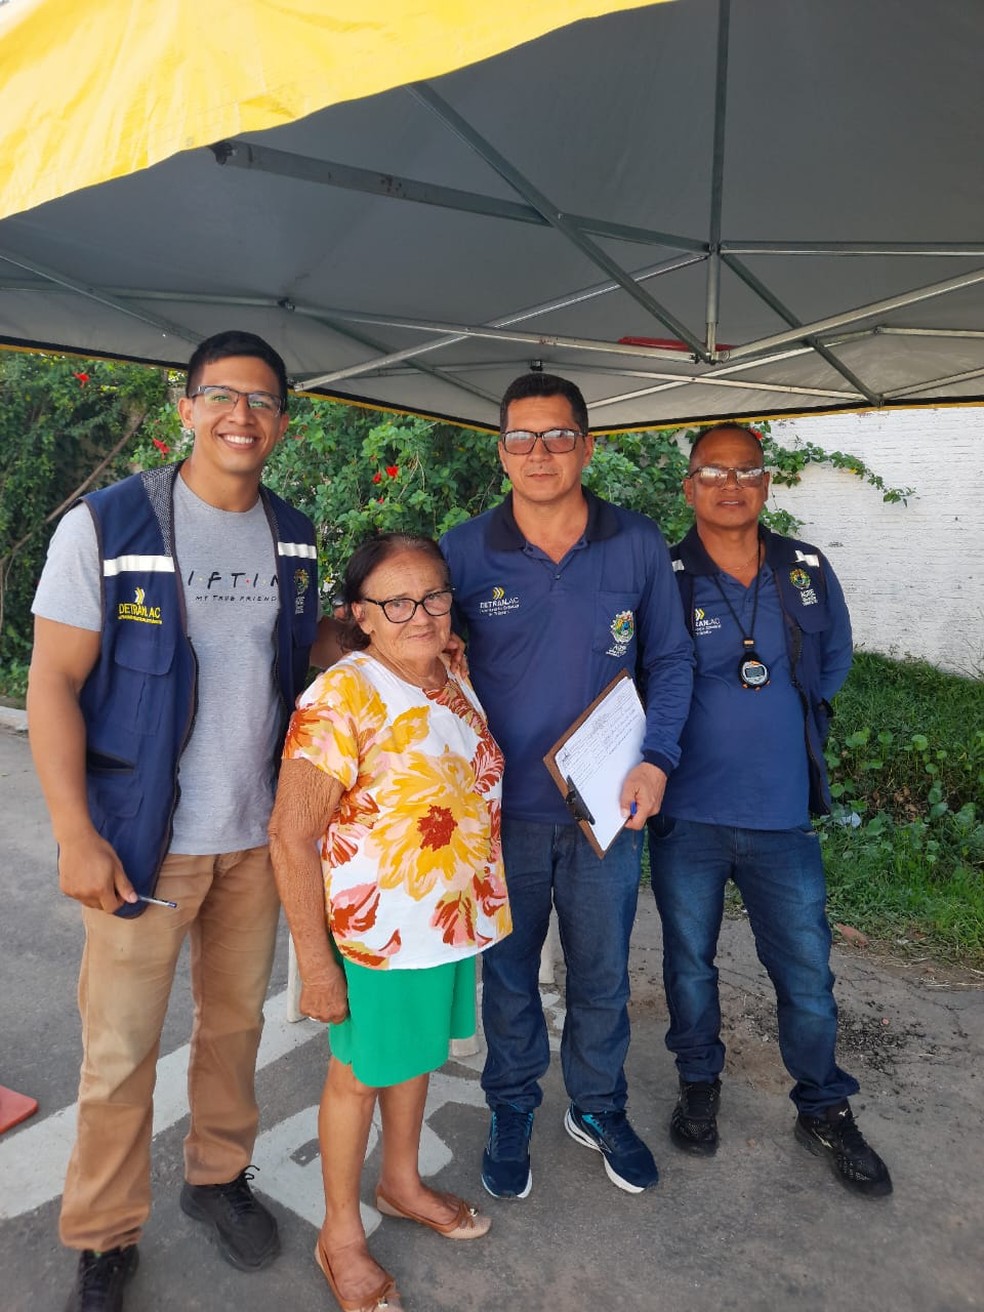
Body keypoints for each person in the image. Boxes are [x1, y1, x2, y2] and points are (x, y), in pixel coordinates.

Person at [27, 330, 321, 1311]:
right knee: (118, 1056)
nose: (244, 416)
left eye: (264, 401)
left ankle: (216, 1176)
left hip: (252, 839)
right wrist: (75, 829)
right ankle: (105, 1236)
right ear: (185, 405)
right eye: (223, 396)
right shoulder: (105, 528)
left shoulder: (294, 533)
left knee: (234, 1026)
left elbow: (294, 663)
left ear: (282, 420)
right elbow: (55, 685)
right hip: (140, 846)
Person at [439, 372, 694, 1199]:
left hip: (606, 813)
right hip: (501, 814)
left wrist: (656, 759)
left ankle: (596, 1105)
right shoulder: (464, 549)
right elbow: (430, 662)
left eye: (556, 436)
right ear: (501, 449)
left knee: (602, 974)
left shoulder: (637, 543)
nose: (538, 453)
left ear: (587, 445)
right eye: (521, 438)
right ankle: (512, 1103)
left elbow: (672, 660)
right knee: (508, 973)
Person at [647, 422, 892, 1198]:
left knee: (808, 976)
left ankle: (823, 1108)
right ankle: (698, 1085)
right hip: (688, 813)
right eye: (712, 472)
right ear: (688, 487)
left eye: (745, 470)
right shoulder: (666, 572)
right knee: (689, 964)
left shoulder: (806, 569)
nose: (729, 484)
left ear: (766, 483)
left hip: (783, 815)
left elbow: (836, 661)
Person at [268, 532, 509, 1312]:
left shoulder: (453, 670)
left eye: (434, 594)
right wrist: (314, 964)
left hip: (446, 918)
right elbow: (290, 835)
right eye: (396, 601)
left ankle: (401, 1182)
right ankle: (340, 1233)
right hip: (378, 931)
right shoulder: (343, 696)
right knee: (359, 1075)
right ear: (360, 615)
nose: (421, 613)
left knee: (413, 1058)